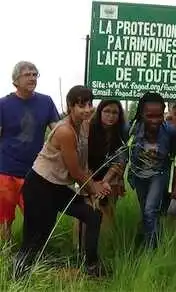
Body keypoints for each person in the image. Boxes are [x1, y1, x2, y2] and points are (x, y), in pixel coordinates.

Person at [13, 85, 111, 278]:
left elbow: (82, 162)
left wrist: (95, 183)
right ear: (70, 107)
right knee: (36, 236)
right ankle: (18, 276)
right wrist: (94, 188)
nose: (87, 109)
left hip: (58, 186)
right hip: (39, 185)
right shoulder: (64, 131)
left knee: (93, 216)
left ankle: (92, 266)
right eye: (81, 105)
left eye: (90, 104)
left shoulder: (84, 125)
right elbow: (75, 172)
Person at [0, 61, 59, 241]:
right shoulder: (3, 104)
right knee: (4, 219)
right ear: (16, 80)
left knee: (37, 217)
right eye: (28, 75)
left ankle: (35, 256)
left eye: (35, 74)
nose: (33, 78)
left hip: (35, 170)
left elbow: (57, 132)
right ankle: (6, 256)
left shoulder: (46, 101)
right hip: (6, 170)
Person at [128, 92, 176, 248]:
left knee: (150, 210)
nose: (155, 121)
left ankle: (151, 251)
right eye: (149, 116)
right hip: (138, 175)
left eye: (159, 116)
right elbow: (123, 154)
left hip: (159, 174)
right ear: (141, 114)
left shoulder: (170, 132)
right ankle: (149, 239)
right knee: (146, 211)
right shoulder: (132, 129)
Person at [88, 99, 127, 231]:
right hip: (88, 177)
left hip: (110, 178)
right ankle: (79, 247)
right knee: (88, 211)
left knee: (107, 211)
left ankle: (106, 244)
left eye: (115, 112)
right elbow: (82, 159)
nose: (111, 116)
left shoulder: (122, 133)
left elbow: (120, 161)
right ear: (100, 112)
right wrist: (93, 184)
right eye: (107, 111)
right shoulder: (88, 129)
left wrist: (105, 182)